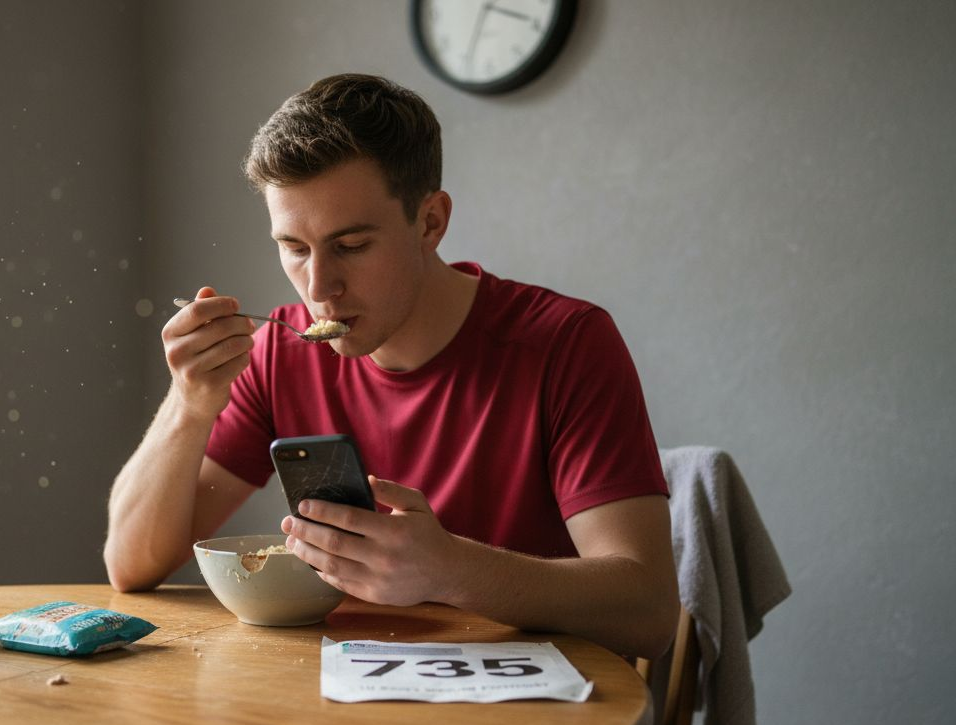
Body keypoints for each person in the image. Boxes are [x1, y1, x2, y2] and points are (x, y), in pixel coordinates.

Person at [105, 73, 678, 661]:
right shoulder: (280, 352)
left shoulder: (565, 343)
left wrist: (450, 569)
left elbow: (650, 613)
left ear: (430, 222)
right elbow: (130, 564)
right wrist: (188, 403)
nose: (319, 287)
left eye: (351, 246)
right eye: (295, 248)